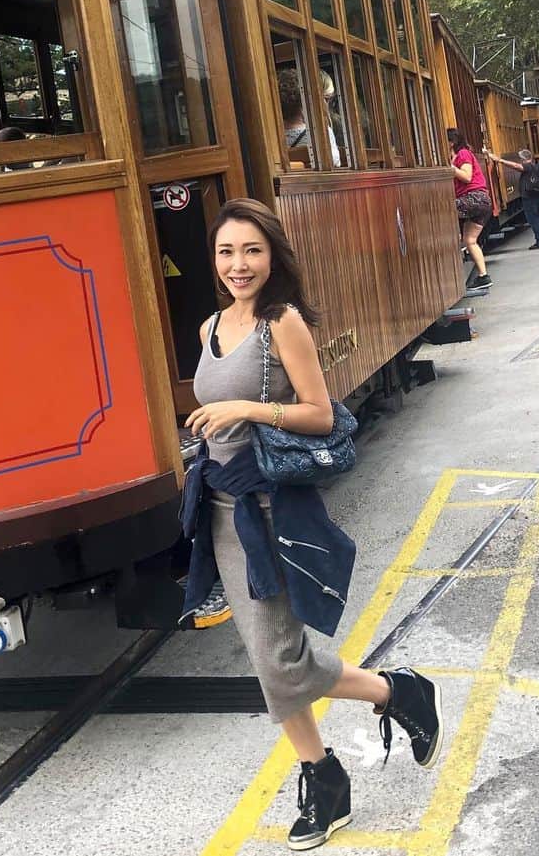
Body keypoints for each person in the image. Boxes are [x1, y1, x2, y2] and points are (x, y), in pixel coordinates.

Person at [180, 198, 443, 850]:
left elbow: (322, 414)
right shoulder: (210, 326)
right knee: (269, 660)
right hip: (221, 512)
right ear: (213, 260)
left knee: (281, 658)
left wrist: (248, 408)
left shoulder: (282, 322)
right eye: (226, 252)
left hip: (270, 508)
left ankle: (396, 692)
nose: (239, 264)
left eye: (252, 250)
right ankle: (325, 775)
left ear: (272, 256)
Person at [447, 128, 493, 290]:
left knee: (442, 211)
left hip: (473, 198)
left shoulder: (463, 154)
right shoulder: (458, 156)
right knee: (470, 240)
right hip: (482, 201)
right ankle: (483, 276)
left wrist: (450, 168)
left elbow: (467, 176)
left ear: (451, 142)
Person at [484, 147, 539, 248]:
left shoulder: (528, 166)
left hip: (529, 197)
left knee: (532, 219)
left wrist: (500, 160)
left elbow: (516, 166)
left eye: (520, 158)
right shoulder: (535, 166)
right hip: (536, 195)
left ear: (523, 158)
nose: (519, 160)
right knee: (538, 217)